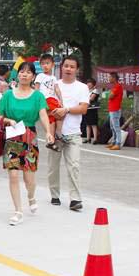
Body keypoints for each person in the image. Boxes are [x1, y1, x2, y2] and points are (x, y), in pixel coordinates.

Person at [0, 61, 53, 226]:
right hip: (12, 137)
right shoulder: (8, 95)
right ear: (18, 74)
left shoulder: (38, 96)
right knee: (13, 174)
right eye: (22, 71)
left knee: (29, 177)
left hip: (30, 136)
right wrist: (8, 120)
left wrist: (49, 132)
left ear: (33, 76)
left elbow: (43, 115)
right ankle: (18, 210)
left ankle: (31, 196)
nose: (24, 74)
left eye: (28, 72)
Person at [47, 55, 89, 211]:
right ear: (61, 67)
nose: (68, 69)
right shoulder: (54, 85)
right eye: (66, 66)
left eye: (72, 67)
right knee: (53, 167)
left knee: (74, 166)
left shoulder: (82, 87)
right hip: (55, 134)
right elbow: (47, 108)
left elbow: (83, 109)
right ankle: (54, 195)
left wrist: (66, 110)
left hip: (73, 134)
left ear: (77, 70)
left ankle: (75, 199)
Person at [35, 54, 64, 152]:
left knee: (51, 120)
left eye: (47, 63)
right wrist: (37, 101)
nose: (45, 66)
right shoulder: (40, 76)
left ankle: (51, 140)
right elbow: (37, 89)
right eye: (42, 64)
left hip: (53, 99)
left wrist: (61, 100)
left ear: (52, 65)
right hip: (46, 99)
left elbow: (57, 89)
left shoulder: (53, 77)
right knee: (58, 114)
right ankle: (58, 134)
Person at [107, 72, 123, 150]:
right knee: (112, 127)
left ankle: (118, 143)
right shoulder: (114, 87)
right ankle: (114, 142)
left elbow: (110, 96)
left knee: (116, 127)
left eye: (110, 77)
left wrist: (109, 94)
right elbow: (110, 96)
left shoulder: (118, 86)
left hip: (115, 109)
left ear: (114, 78)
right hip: (112, 109)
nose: (109, 79)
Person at [84, 78, 100, 144]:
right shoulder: (86, 91)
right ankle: (88, 138)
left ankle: (95, 139)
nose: (88, 85)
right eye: (87, 83)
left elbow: (91, 98)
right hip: (87, 108)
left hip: (93, 109)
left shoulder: (95, 91)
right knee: (87, 124)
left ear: (93, 84)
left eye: (90, 84)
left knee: (93, 124)